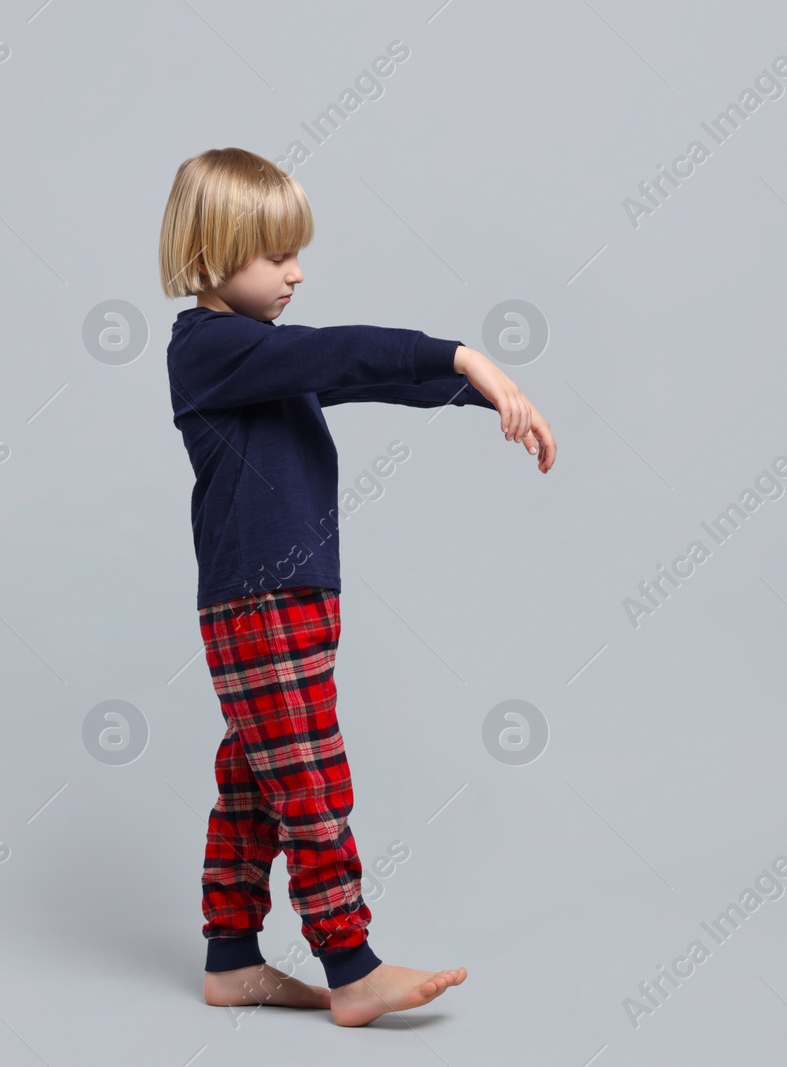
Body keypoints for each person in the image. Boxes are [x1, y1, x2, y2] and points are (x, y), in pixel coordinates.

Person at [158, 146, 556, 1027]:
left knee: (257, 776)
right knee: (309, 774)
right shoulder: (214, 348)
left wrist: (481, 394)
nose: (297, 272)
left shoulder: (254, 357)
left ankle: (231, 958)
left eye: (297, 252)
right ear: (211, 254)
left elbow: (363, 377)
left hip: (282, 597)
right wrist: (461, 353)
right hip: (260, 600)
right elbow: (340, 356)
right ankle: (351, 962)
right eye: (276, 255)